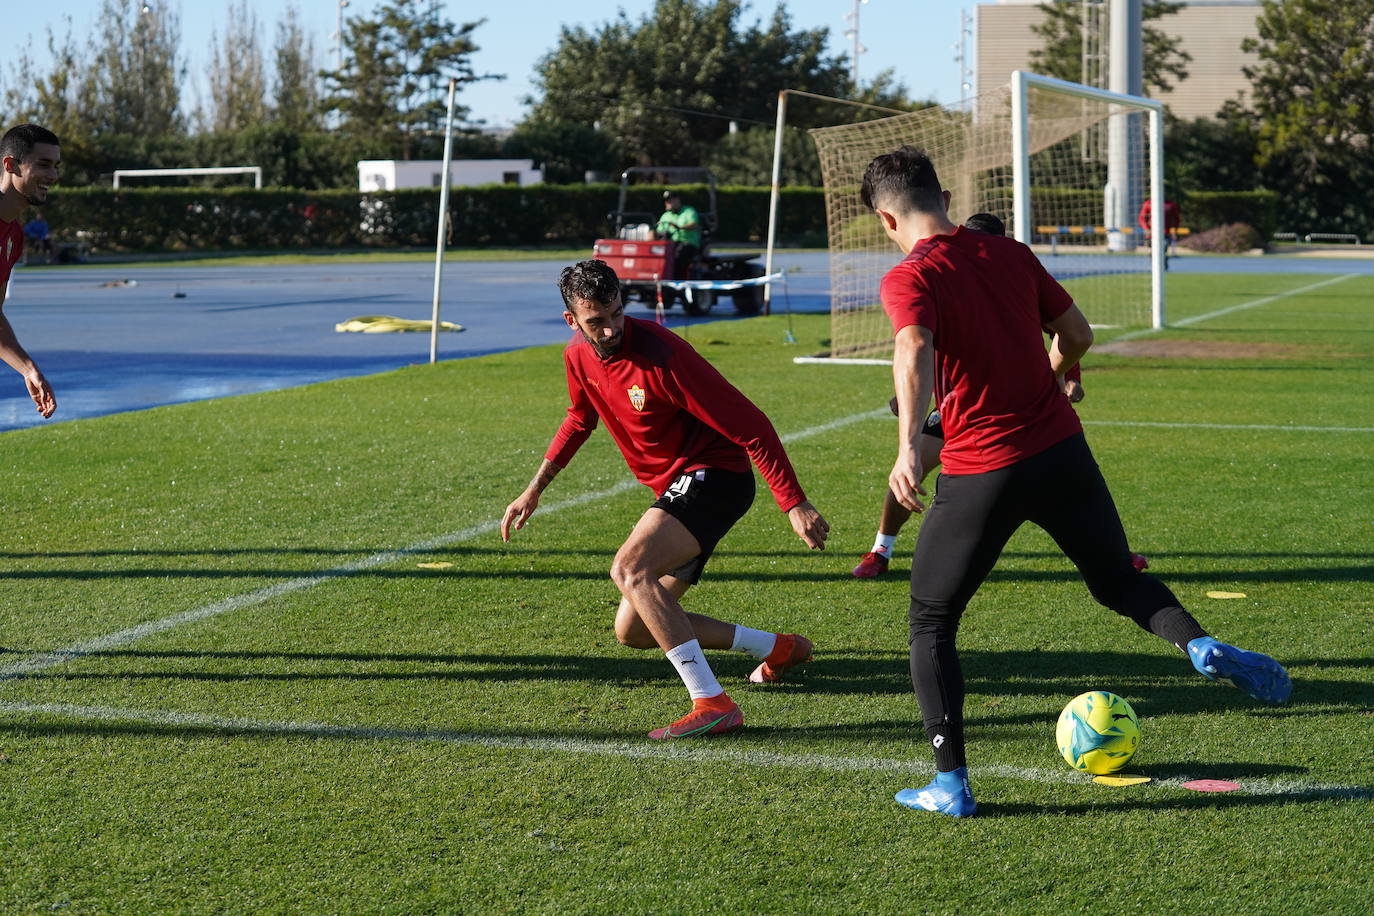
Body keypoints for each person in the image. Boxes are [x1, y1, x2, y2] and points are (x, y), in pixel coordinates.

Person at [861, 146, 1290, 818]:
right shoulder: (1010, 254)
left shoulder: (911, 275)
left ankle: (950, 786)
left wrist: (908, 449)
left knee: (930, 621)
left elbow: (913, 346)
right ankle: (1198, 642)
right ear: (943, 194)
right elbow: (1078, 332)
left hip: (983, 466)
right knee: (1117, 579)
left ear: (887, 219)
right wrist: (1054, 372)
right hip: (1062, 449)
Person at [501, 259, 829, 740]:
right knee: (634, 629)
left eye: (616, 312)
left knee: (630, 569)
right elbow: (579, 419)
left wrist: (793, 502)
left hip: (714, 477)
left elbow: (752, 425)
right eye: (596, 321)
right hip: (676, 486)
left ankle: (712, 702)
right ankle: (778, 647)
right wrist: (535, 487)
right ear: (572, 321)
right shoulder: (577, 355)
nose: (611, 328)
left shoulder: (665, 356)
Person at [852, 213, 1146, 579]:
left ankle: (1112, 555)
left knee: (1063, 484)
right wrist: (906, 398)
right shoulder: (942, 280)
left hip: (1018, 412)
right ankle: (881, 549)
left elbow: (1065, 331)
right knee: (909, 474)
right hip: (957, 411)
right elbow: (917, 346)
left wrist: (1066, 375)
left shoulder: (1011, 277)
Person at [0, 124, 59, 419]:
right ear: (10, 165)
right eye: (43, 164)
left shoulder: (14, 235)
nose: (53, 176)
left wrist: (28, 369)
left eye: (56, 166)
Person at [655, 191, 702, 281]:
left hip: (687, 242)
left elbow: (694, 224)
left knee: (677, 255)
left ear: (677, 200)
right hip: (669, 244)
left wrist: (679, 227)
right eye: (666, 201)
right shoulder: (666, 215)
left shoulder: (688, 211)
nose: (667, 203)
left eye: (670, 201)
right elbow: (659, 230)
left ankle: (675, 280)